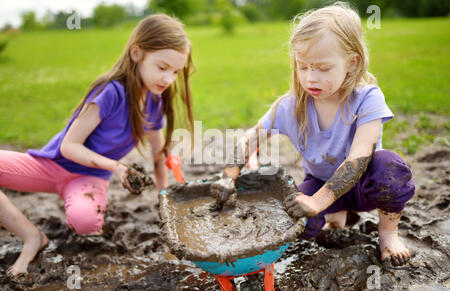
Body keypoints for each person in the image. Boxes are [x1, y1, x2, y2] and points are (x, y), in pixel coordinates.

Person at [211, 2, 415, 267]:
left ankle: (388, 234)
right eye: (303, 66)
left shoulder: (367, 99)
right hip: (319, 182)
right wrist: (229, 176)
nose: (311, 78)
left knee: (389, 168)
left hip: (366, 186)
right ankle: (335, 217)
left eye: (322, 67)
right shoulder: (291, 105)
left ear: (352, 63)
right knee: (298, 223)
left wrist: (317, 202)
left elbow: (359, 158)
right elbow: (251, 137)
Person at [0, 14, 194, 276]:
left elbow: (159, 157)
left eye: (175, 71)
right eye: (162, 67)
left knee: (85, 222)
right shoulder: (110, 92)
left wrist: (165, 202)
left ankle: (74, 203)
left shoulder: (153, 103)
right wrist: (115, 166)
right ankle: (32, 236)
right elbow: (70, 146)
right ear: (136, 53)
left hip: (90, 179)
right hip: (50, 165)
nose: (168, 79)